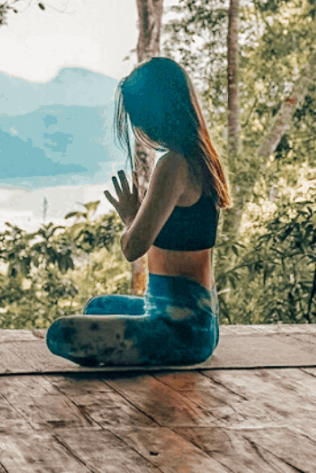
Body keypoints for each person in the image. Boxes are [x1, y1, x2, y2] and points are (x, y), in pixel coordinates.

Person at [46, 56, 232, 366]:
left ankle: (140, 352)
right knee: (96, 308)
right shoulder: (202, 159)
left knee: (60, 334)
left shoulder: (173, 164)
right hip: (199, 323)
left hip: (180, 330)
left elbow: (133, 248)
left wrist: (130, 215)